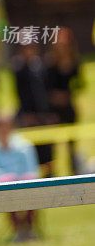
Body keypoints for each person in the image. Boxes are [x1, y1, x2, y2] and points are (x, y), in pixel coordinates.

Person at [0, 113, 40, 242]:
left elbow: (31, 169)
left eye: (7, 125)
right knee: (7, 185)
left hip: (25, 187)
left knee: (31, 183)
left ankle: (28, 229)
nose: (4, 129)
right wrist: (10, 179)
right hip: (1, 189)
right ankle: (19, 230)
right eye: (0, 126)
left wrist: (21, 180)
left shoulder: (24, 145)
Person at [12, 41, 54, 176]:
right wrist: (27, 114)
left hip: (43, 115)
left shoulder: (41, 66)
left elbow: (45, 92)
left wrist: (47, 113)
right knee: (30, 150)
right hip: (28, 117)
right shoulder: (18, 68)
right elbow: (20, 93)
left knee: (47, 150)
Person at [46, 28, 83, 174]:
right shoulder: (50, 63)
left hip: (69, 109)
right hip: (53, 111)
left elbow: (80, 84)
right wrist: (56, 96)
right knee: (51, 146)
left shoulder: (74, 62)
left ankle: (74, 173)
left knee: (71, 147)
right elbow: (46, 87)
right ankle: (51, 175)